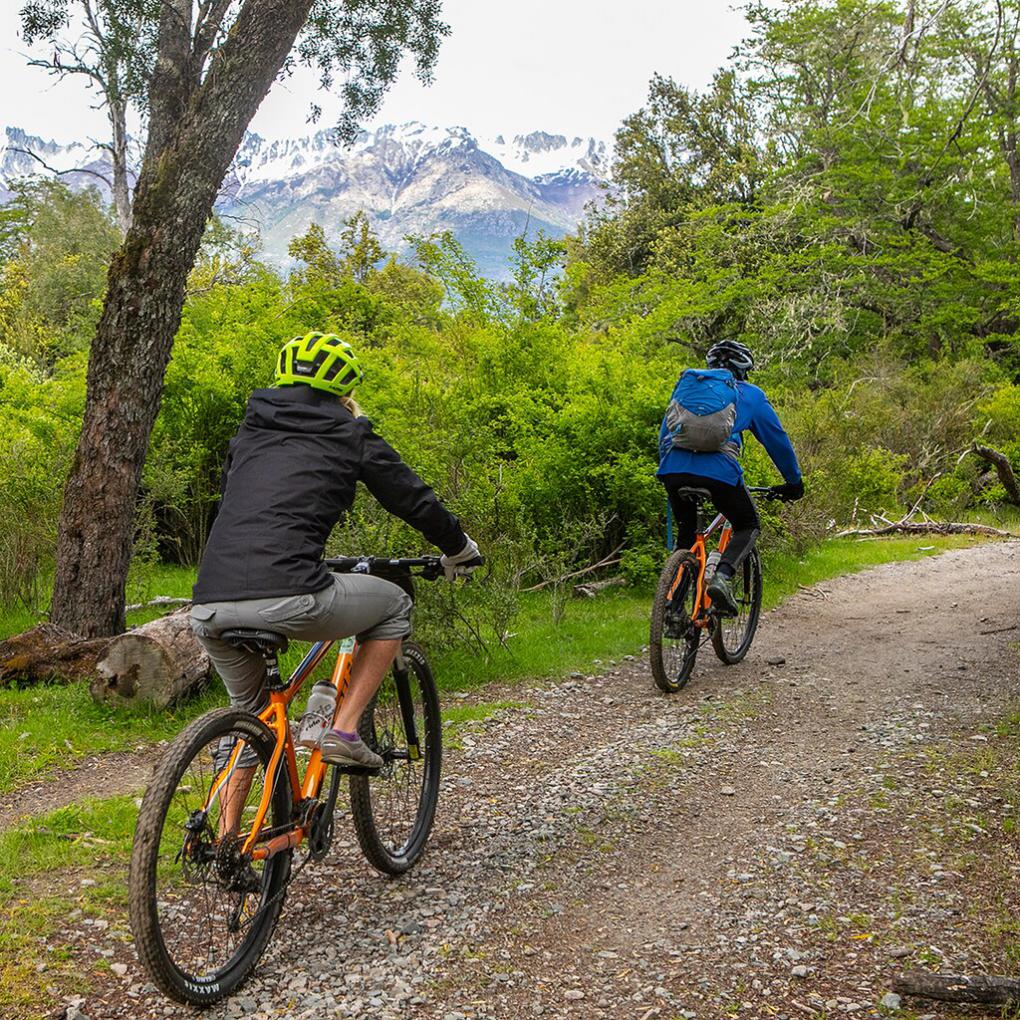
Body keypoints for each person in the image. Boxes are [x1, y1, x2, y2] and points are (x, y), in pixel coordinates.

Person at [190, 331, 480, 770]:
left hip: (208, 604)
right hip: (289, 594)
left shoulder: (250, 431)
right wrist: (457, 547)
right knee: (394, 605)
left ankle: (230, 839)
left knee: (250, 722)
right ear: (345, 389)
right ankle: (343, 730)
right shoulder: (348, 431)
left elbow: (237, 503)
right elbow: (410, 497)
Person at [657, 339, 803, 614]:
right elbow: (777, 441)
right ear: (744, 370)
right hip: (720, 473)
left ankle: (671, 608)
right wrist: (793, 482)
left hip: (673, 469)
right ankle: (722, 578)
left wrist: (668, 471)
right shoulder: (749, 394)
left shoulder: (687, 391)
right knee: (747, 523)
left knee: (687, 535)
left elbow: (665, 435)